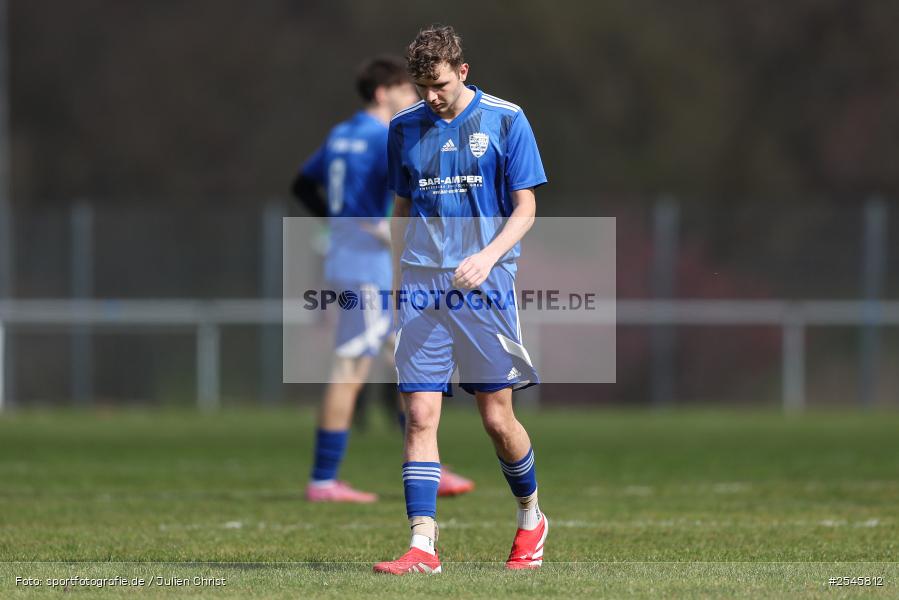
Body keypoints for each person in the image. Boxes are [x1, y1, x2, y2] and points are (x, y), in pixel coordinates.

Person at [373, 26, 548, 574]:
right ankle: (423, 546)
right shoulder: (403, 129)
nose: (431, 96)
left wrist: (489, 255)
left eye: (441, 85)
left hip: (485, 285)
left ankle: (531, 517)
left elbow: (526, 208)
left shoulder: (506, 119)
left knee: (497, 419)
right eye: (423, 86)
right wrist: (397, 281)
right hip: (423, 286)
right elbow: (402, 210)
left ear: (462, 72)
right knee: (420, 415)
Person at [292, 55, 475, 503]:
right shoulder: (382, 136)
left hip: (347, 261)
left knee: (403, 360)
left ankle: (428, 466)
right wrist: (370, 226)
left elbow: (302, 184)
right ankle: (323, 480)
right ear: (382, 93)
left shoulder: (341, 134)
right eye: (407, 90)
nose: (416, 98)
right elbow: (401, 197)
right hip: (368, 269)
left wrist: (338, 225)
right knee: (351, 367)